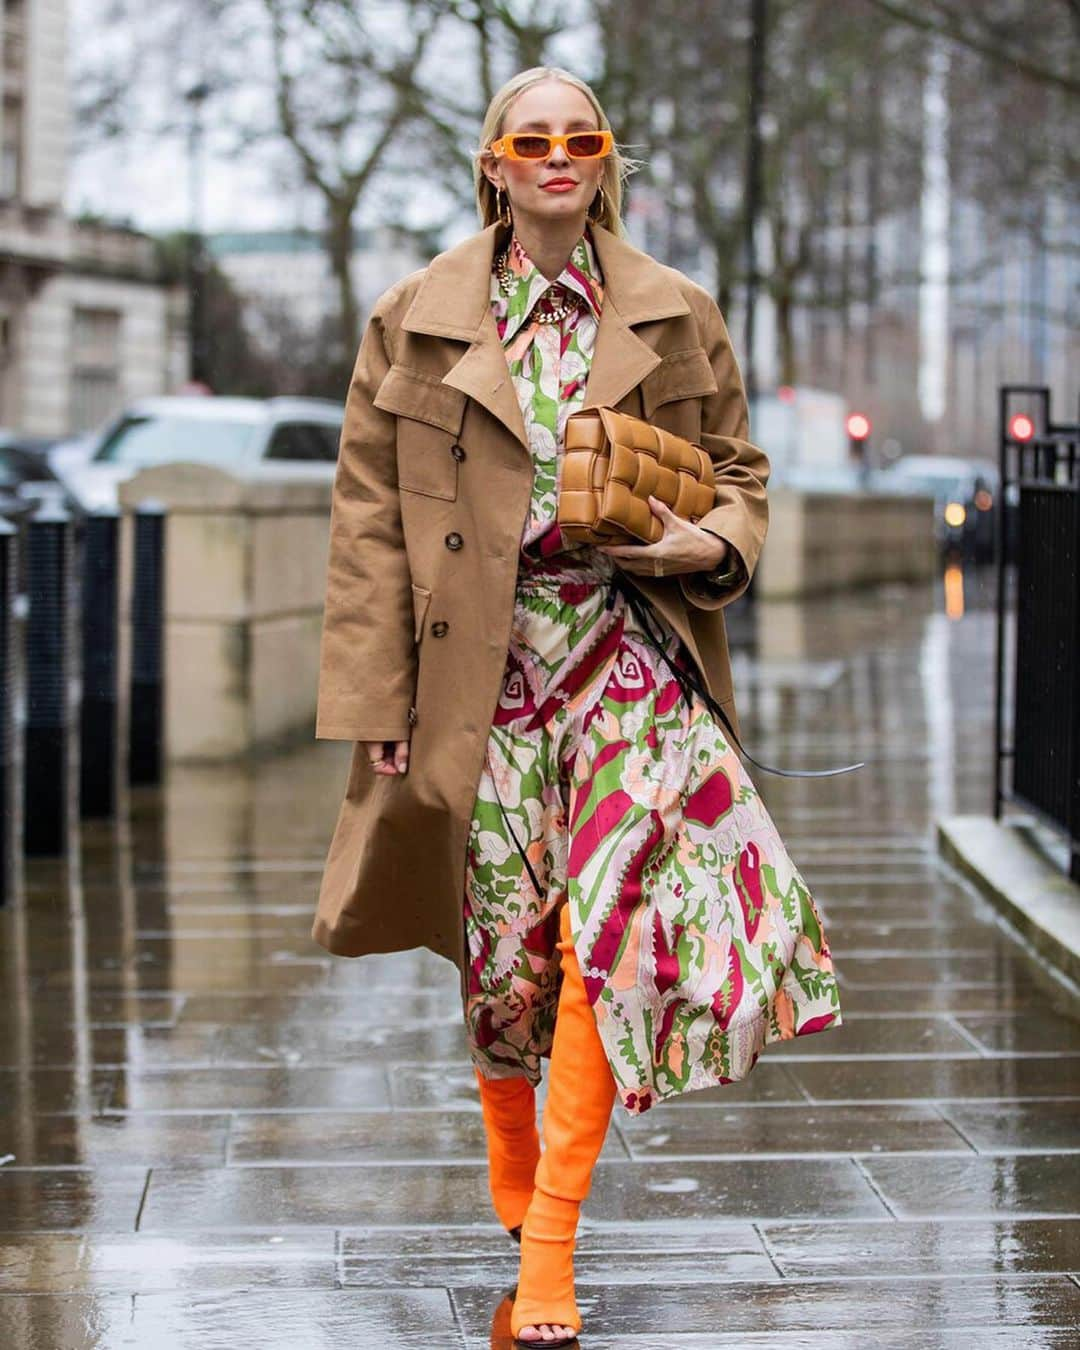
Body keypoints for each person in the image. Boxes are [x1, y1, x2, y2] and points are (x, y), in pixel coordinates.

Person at [311, 65, 842, 1348]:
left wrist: (698, 547)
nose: (558, 157)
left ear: (608, 161)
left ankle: (549, 1243)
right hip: (474, 679)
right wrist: (379, 693)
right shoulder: (412, 318)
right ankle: (511, 1148)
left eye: (581, 138)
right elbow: (369, 521)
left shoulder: (678, 313)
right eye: (531, 140)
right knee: (504, 963)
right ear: (494, 162)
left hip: (625, 654)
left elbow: (737, 475)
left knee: (603, 944)